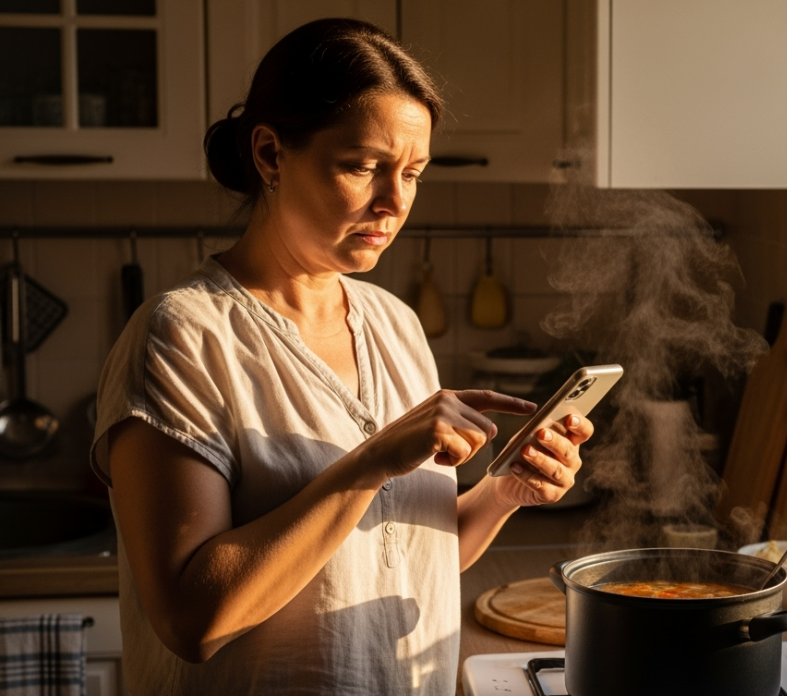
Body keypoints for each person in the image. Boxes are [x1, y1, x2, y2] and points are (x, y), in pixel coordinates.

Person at [90, 18, 590, 695]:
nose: (394, 202)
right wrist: (372, 460)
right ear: (271, 155)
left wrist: (505, 493)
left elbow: (414, 557)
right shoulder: (183, 336)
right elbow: (192, 620)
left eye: (412, 173)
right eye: (363, 167)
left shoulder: (395, 324)